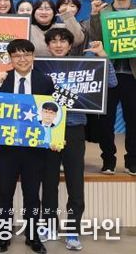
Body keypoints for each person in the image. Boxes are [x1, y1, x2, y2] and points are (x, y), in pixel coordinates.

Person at [40, 28, 117, 250]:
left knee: (75, 182)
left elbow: (112, 83)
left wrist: (102, 55)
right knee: (49, 181)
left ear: (70, 44)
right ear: (47, 45)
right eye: (54, 41)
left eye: (63, 41)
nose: (58, 45)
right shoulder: (40, 67)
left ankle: (73, 230)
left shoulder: (84, 64)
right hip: (49, 129)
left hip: (74, 128)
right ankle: (49, 225)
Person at [0, 39, 54, 254]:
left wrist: (54, 137)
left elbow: (53, 112)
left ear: (33, 56)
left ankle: (33, 236)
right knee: (4, 194)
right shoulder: (1, 79)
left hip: (34, 150)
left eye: (26, 54)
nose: (22, 59)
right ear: (10, 58)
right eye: (17, 55)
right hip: (7, 149)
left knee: (33, 195)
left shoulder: (45, 81)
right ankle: (3, 236)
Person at [89, 0, 136, 174]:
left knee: (133, 120)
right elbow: (94, 39)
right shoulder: (103, 11)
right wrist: (94, 16)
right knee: (105, 121)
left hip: (132, 75)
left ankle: (132, 161)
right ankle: (108, 160)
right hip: (108, 74)